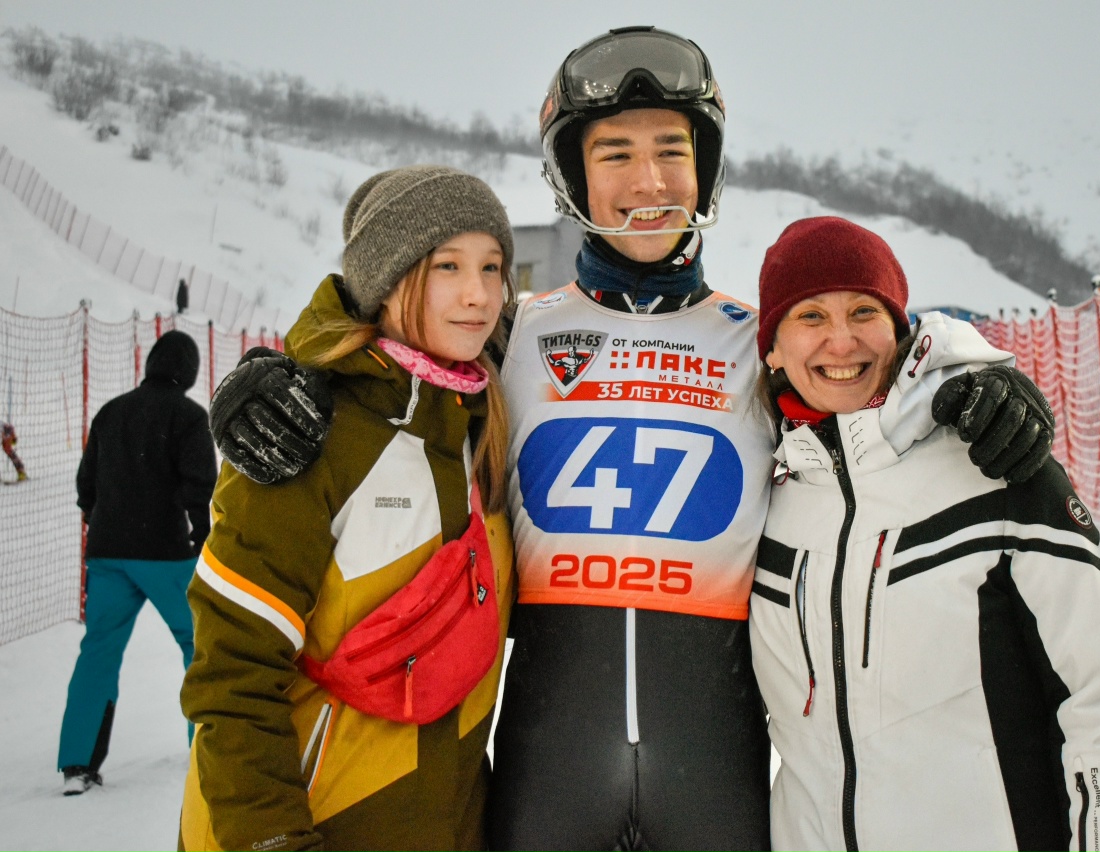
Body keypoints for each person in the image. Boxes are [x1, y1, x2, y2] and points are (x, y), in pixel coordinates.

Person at [204, 28, 1055, 851]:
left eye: (671, 151)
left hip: (712, 774)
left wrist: (973, 376)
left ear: (704, 169)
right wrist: (277, 374)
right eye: (615, 154)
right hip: (550, 774)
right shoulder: (511, 336)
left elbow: (877, 369)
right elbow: (384, 354)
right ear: (572, 176)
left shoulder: (758, 345)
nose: (648, 178)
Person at [749, 217, 1100, 852]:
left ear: (900, 330)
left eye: (864, 311)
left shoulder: (995, 463)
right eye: (810, 316)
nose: (841, 340)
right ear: (771, 348)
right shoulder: (762, 499)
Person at [178, 165, 516, 852]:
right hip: (315, 824)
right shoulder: (305, 429)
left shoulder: (482, 425)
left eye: (492, 267)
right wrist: (272, 841)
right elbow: (234, 676)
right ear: (386, 279)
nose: (478, 294)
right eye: (447, 266)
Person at [59, 330, 217, 794]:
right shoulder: (188, 416)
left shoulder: (111, 412)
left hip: (108, 554)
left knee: (98, 651)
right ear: (188, 371)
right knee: (200, 645)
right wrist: (202, 537)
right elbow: (199, 486)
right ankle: (204, 750)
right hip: (165, 555)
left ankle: (77, 764)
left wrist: (102, 521)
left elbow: (86, 484)